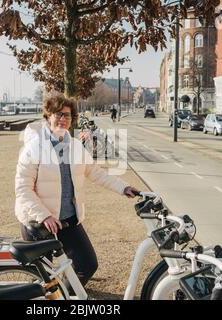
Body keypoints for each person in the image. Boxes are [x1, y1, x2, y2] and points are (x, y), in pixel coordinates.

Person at [15, 95, 139, 286]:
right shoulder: (34, 148)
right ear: (48, 116)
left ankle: (66, 295)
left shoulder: (74, 146)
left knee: (87, 264)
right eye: (58, 114)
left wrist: (124, 188)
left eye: (68, 115)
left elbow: (96, 173)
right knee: (45, 276)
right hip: (40, 223)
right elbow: (23, 189)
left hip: (68, 220)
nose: (63, 119)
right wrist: (44, 216)